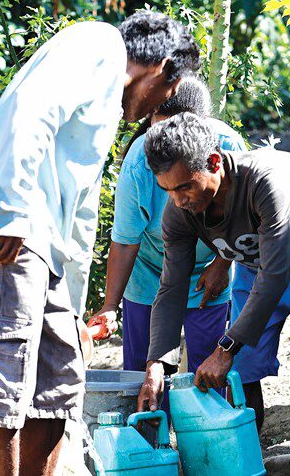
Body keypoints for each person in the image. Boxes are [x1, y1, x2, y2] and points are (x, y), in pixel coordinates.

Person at [0, 11, 199, 476]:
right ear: (161, 67)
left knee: (61, 380)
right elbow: (33, 111)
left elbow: (80, 213)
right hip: (11, 227)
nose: (160, 107)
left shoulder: (105, 103)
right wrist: (14, 209)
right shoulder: (97, 45)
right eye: (169, 93)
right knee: (4, 379)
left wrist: (77, 309)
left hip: (42, 241)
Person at [137, 113, 290, 476]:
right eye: (168, 191)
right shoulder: (179, 212)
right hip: (259, 265)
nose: (177, 201)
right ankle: (248, 463)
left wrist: (225, 348)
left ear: (214, 162)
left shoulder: (265, 182)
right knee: (245, 370)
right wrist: (156, 363)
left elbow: (277, 274)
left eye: (184, 188)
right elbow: (172, 287)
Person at [88, 78, 245, 374]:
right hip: (150, 271)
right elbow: (125, 240)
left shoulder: (228, 147)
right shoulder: (138, 163)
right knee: (143, 371)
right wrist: (110, 306)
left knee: (209, 369)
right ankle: (148, 420)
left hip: (207, 270)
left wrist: (221, 266)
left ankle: (204, 421)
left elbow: (242, 218)